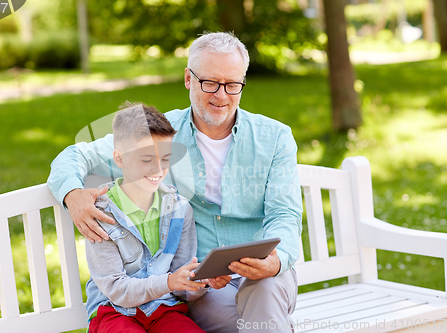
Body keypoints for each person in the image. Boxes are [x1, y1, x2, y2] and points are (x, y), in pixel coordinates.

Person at [48, 32, 303, 333]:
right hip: (202, 285)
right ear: (188, 79)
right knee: (256, 325)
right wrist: (73, 194)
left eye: (233, 85)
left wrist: (277, 261)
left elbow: (284, 214)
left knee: (264, 293)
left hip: (265, 274)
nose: (221, 96)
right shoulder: (158, 137)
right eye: (210, 82)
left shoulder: (274, 138)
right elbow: (76, 155)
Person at [85, 102, 229, 333]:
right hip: (114, 312)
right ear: (119, 159)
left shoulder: (180, 210)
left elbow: (182, 287)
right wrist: (169, 282)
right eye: (146, 160)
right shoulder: (99, 214)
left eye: (165, 158)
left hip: (164, 309)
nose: (158, 170)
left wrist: (202, 281)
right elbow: (116, 289)